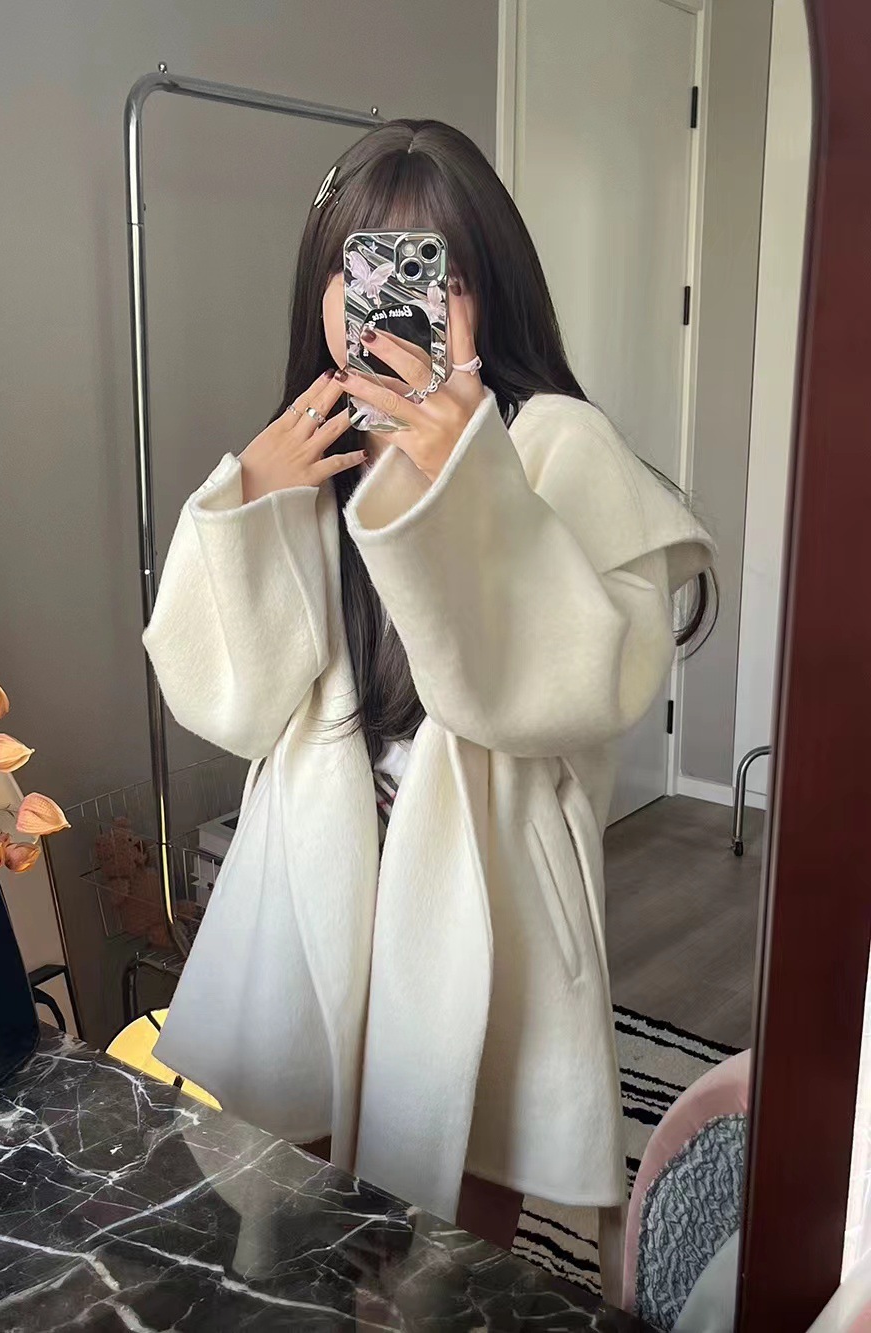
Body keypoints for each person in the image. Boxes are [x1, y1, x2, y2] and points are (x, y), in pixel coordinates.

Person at [142, 119, 716, 1278]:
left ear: (489, 288)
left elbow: (579, 685)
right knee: (293, 1184)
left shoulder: (555, 443)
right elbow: (237, 706)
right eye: (363, 269)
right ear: (323, 292)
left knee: (463, 1194)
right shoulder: (305, 446)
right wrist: (245, 507)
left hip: (483, 891)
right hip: (316, 858)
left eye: (437, 275)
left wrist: (469, 485)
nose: (400, 304)